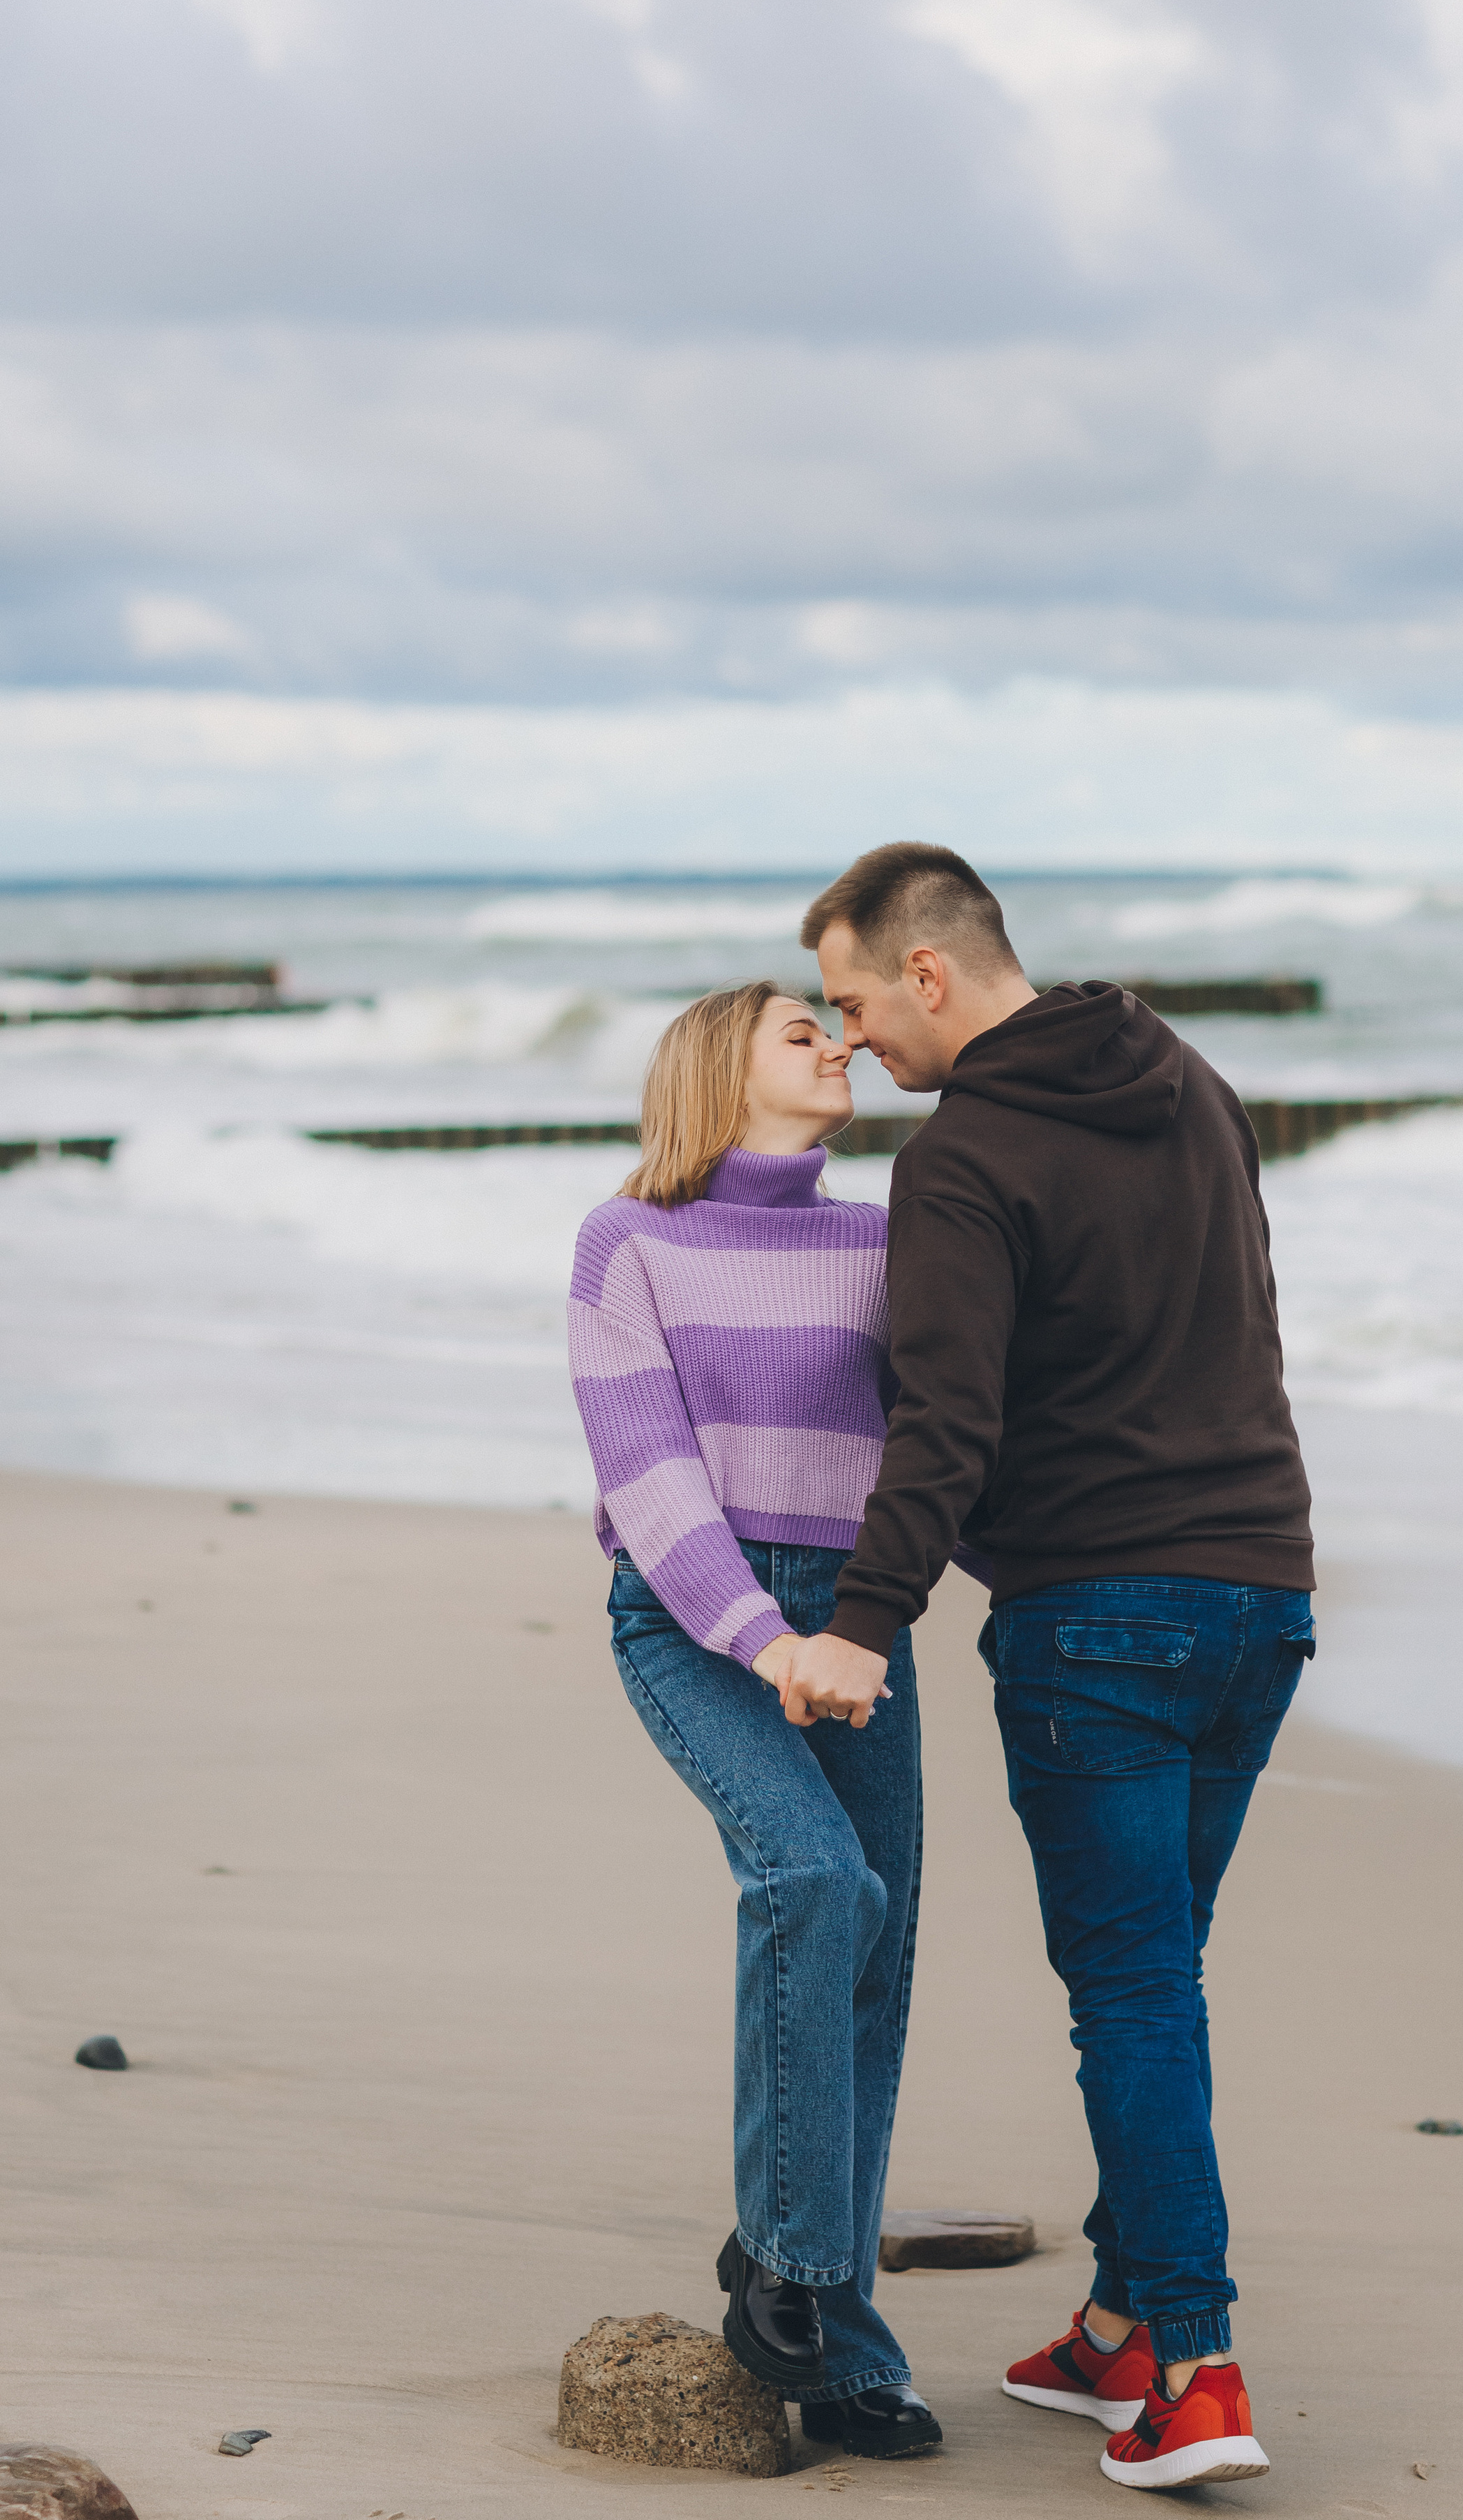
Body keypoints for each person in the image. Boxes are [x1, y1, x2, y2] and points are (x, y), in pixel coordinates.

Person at [783, 844, 1316, 2494]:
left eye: (858, 1002)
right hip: (1263, 1596)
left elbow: (947, 1424)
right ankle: (1113, 2330)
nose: (853, 1042)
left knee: (1136, 1993)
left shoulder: (964, 1162)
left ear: (928, 973)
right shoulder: (1192, 1079)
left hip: (1101, 1620)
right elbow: (1247, 1319)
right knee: (1157, 1974)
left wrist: (860, 1624)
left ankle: (1198, 2367)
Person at [566, 981, 943, 2459]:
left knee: (873, 1952)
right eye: (804, 1029)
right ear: (717, 1069)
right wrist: (765, 1641)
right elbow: (648, 1470)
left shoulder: (883, 1242)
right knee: (810, 1880)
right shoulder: (628, 1242)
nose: (839, 1044)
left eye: (837, 1028)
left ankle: (830, 2333)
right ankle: (792, 2272)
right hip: (693, 1620)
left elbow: (936, 1448)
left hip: (850, 1628)